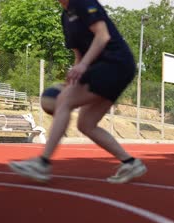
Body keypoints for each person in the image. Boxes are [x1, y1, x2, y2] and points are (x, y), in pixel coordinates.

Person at [9, 0, 147, 184]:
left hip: (115, 63)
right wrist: (72, 81)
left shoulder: (83, 2)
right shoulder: (65, 17)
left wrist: (81, 68)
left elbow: (103, 36)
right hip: (107, 68)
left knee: (65, 101)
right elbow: (79, 55)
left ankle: (42, 163)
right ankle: (131, 163)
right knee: (86, 124)